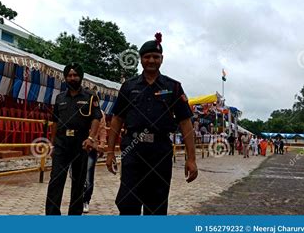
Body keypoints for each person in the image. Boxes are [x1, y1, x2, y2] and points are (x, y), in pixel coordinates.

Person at [105, 33, 198, 215]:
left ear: (162, 59)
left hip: (160, 151)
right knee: (127, 202)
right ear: (140, 60)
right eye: (147, 57)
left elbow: (186, 124)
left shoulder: (174, 87)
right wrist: (110, 152)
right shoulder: (129, 87)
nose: (151, 60)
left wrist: (191, 159)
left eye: (156, 57)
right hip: (133, 150)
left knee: (156, 204)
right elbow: (117, 120)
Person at [45, 63, 102, 215]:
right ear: (65, 78)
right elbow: (55, 122)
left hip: (81, 144)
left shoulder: (90, 97)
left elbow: (97, 117)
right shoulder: (59, 98)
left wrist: (91, 137)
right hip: (61, 143)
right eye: (69, 75)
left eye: (75, 75)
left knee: (78, 182)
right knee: (56, 180)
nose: (72, 78)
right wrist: (52, 144)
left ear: (81, 77)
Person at [83, 110, 107, 213]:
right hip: (76, 147)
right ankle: (77, 198)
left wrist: (102, 145)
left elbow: (102, 130)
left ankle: (86, 200)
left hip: (92, 147)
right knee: (74, 175)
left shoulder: (99, 112)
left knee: (88, 174)